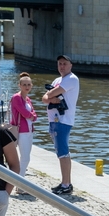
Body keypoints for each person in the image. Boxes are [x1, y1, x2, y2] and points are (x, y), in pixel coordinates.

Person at [42, 55, 79, 195]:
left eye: (64, 64)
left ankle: (66, 184)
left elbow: (50, 93)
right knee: (60, 152)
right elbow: (45, 98)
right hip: (54, 120)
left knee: (63, 153)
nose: (62, 66)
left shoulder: (72, 79)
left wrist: (51, 96)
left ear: (70, 65)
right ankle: (65, 182)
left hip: (63, 120)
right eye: (59, 64)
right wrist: (51, 97)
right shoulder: (58, 80)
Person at [10, 72, 37, 190]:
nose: (27, 87)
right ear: (19, 85)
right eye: (24, 84)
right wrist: (31, 116)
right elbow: (23, 112)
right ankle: (19, 184)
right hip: (21, 130)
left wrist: (32, 116)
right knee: (25, 157)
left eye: (29, 85)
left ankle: (19, 181)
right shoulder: (16, 97)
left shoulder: (28, 99)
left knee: (26, 157)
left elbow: (34, 114)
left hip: (29, 130)